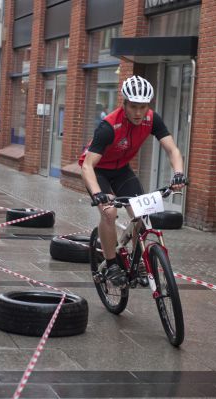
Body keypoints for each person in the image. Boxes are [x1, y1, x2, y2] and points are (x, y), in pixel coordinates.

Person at [79, 75, 187, 286]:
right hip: (97, 171)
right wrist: (98, 195)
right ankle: (111, 265)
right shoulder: (108, 126)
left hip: (122, 171)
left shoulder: (151, 119)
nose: (139, 113)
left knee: (142, 213)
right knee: (109, 212)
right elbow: (87, 165)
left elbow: (172, 149)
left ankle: (137, 261)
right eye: (134, 107)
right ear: (125, 103)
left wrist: (178, 173)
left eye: (143, 106)